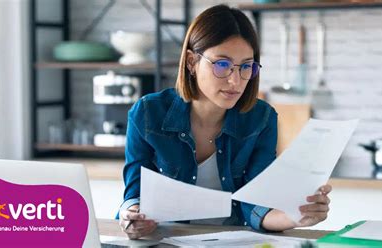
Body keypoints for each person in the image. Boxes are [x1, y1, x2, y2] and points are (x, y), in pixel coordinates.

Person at [118, 4, 332, 240]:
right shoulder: (149, 112)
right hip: (167, 240)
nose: (235, 80)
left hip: (233, 241)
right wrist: (133, 217)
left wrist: (296, 216)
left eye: (246, 67)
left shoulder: (261, 118)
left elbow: (256, 205)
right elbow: (134, 195)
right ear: (191, 61)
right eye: (222, 64)